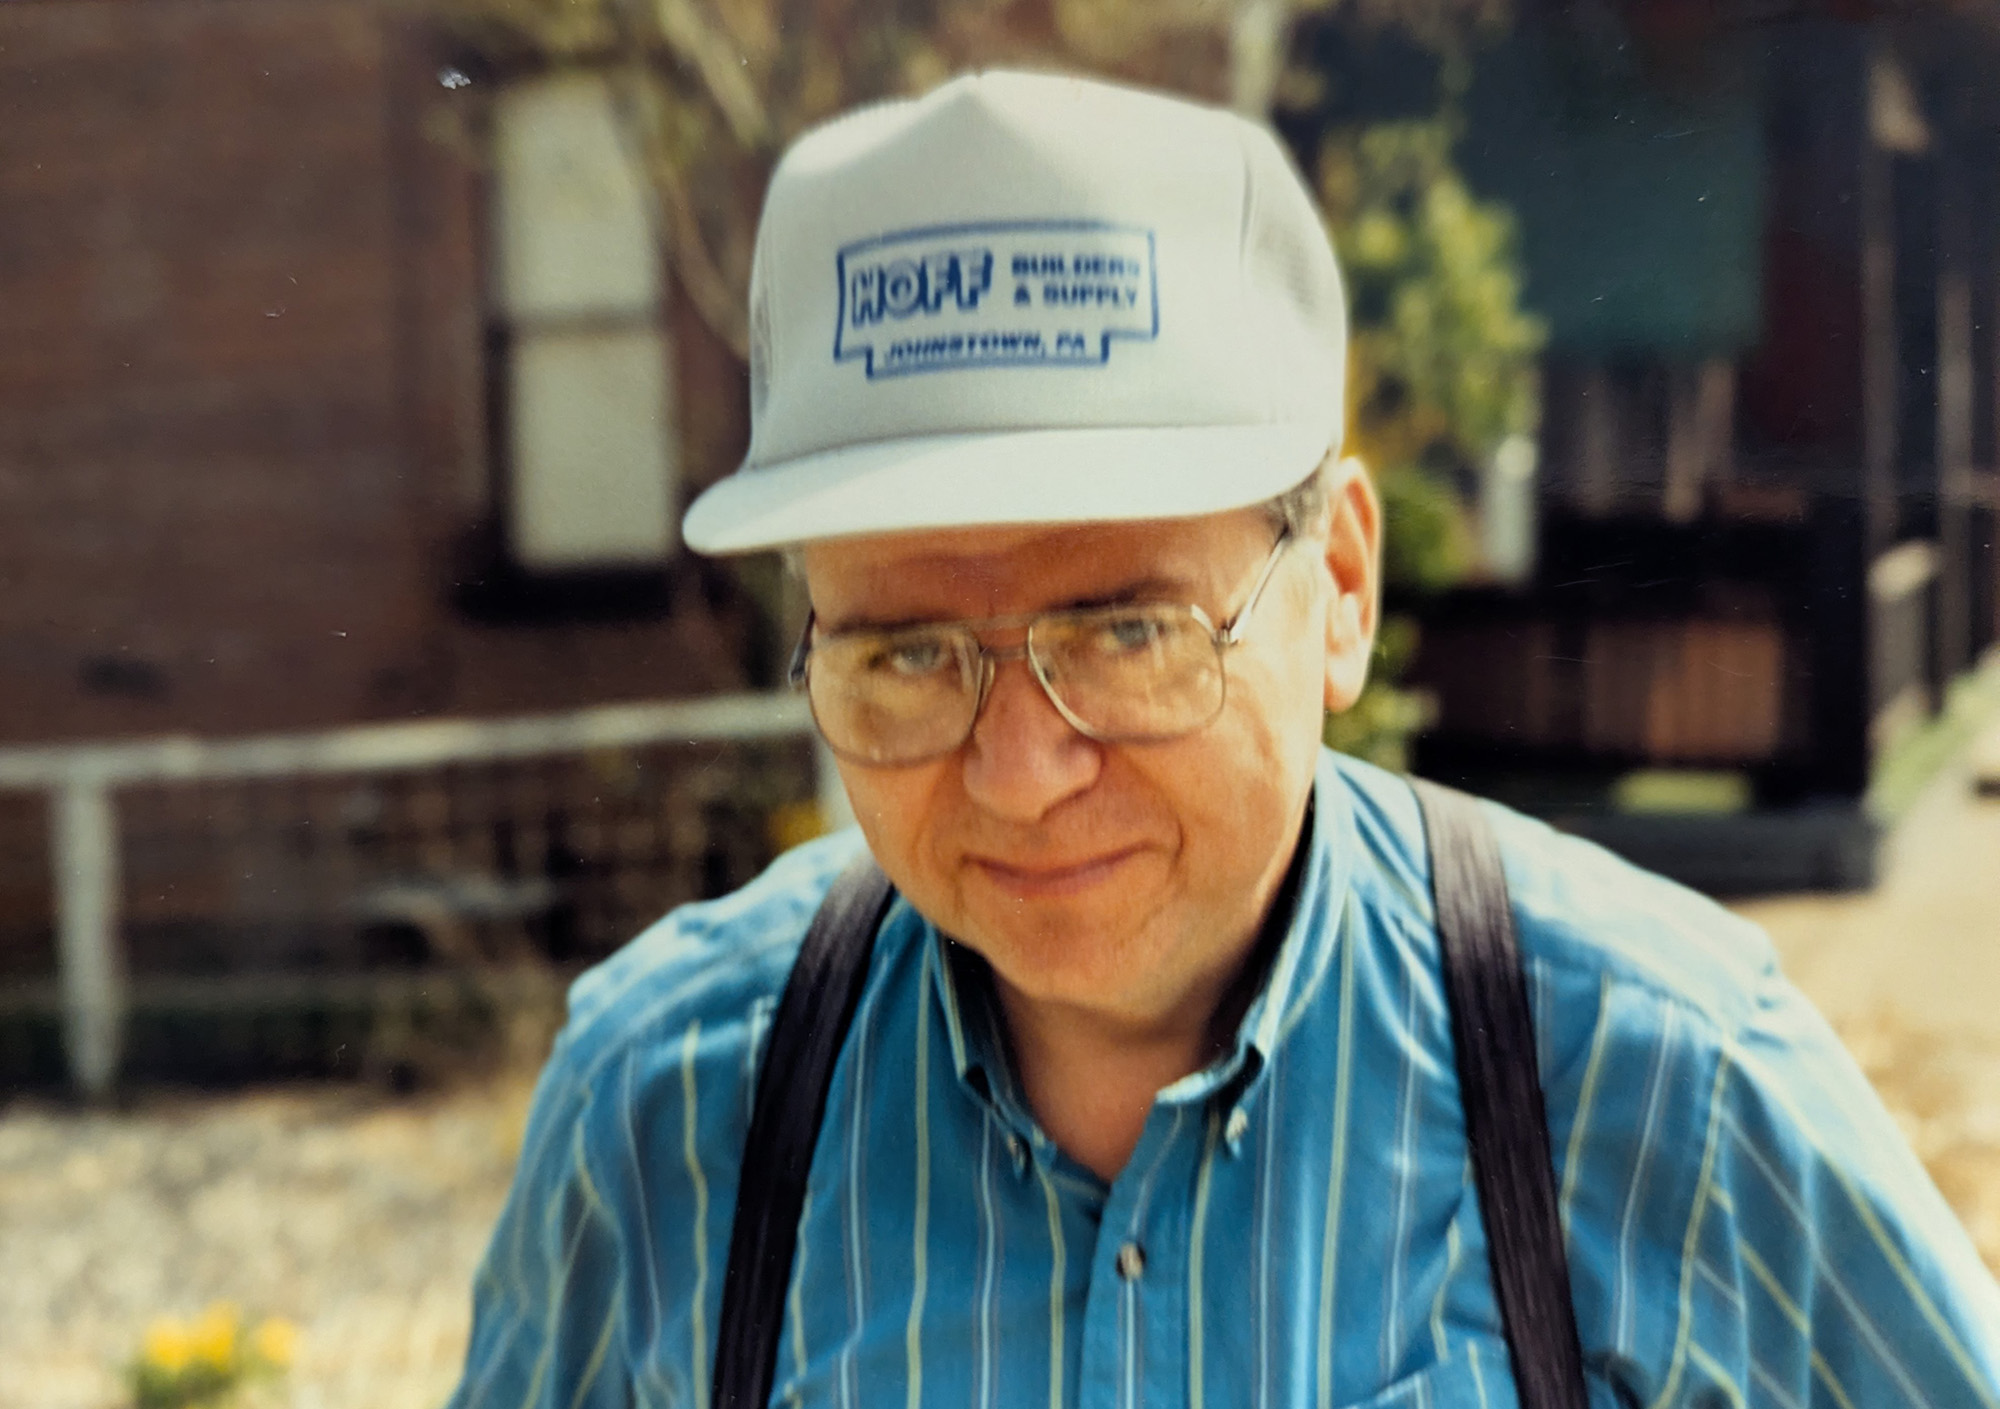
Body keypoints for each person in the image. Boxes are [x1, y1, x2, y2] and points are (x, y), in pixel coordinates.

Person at [449, 70, 2000, 1408]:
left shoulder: (1667, 1082)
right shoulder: (662, 1117)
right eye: (907, 655)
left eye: (1128, 634)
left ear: (1341, 588)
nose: (1020, 772)